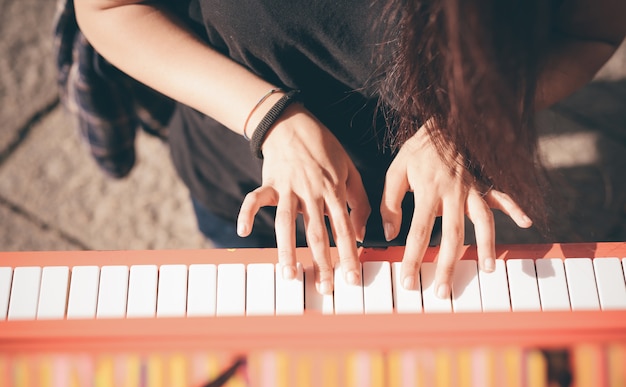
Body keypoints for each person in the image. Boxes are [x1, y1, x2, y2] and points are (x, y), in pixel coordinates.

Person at [73, 0, 625, 298]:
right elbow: (106, 9)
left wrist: (463, 126)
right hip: (244, 192)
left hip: (431, 206)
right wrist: (267, 116)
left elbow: (592, 30)